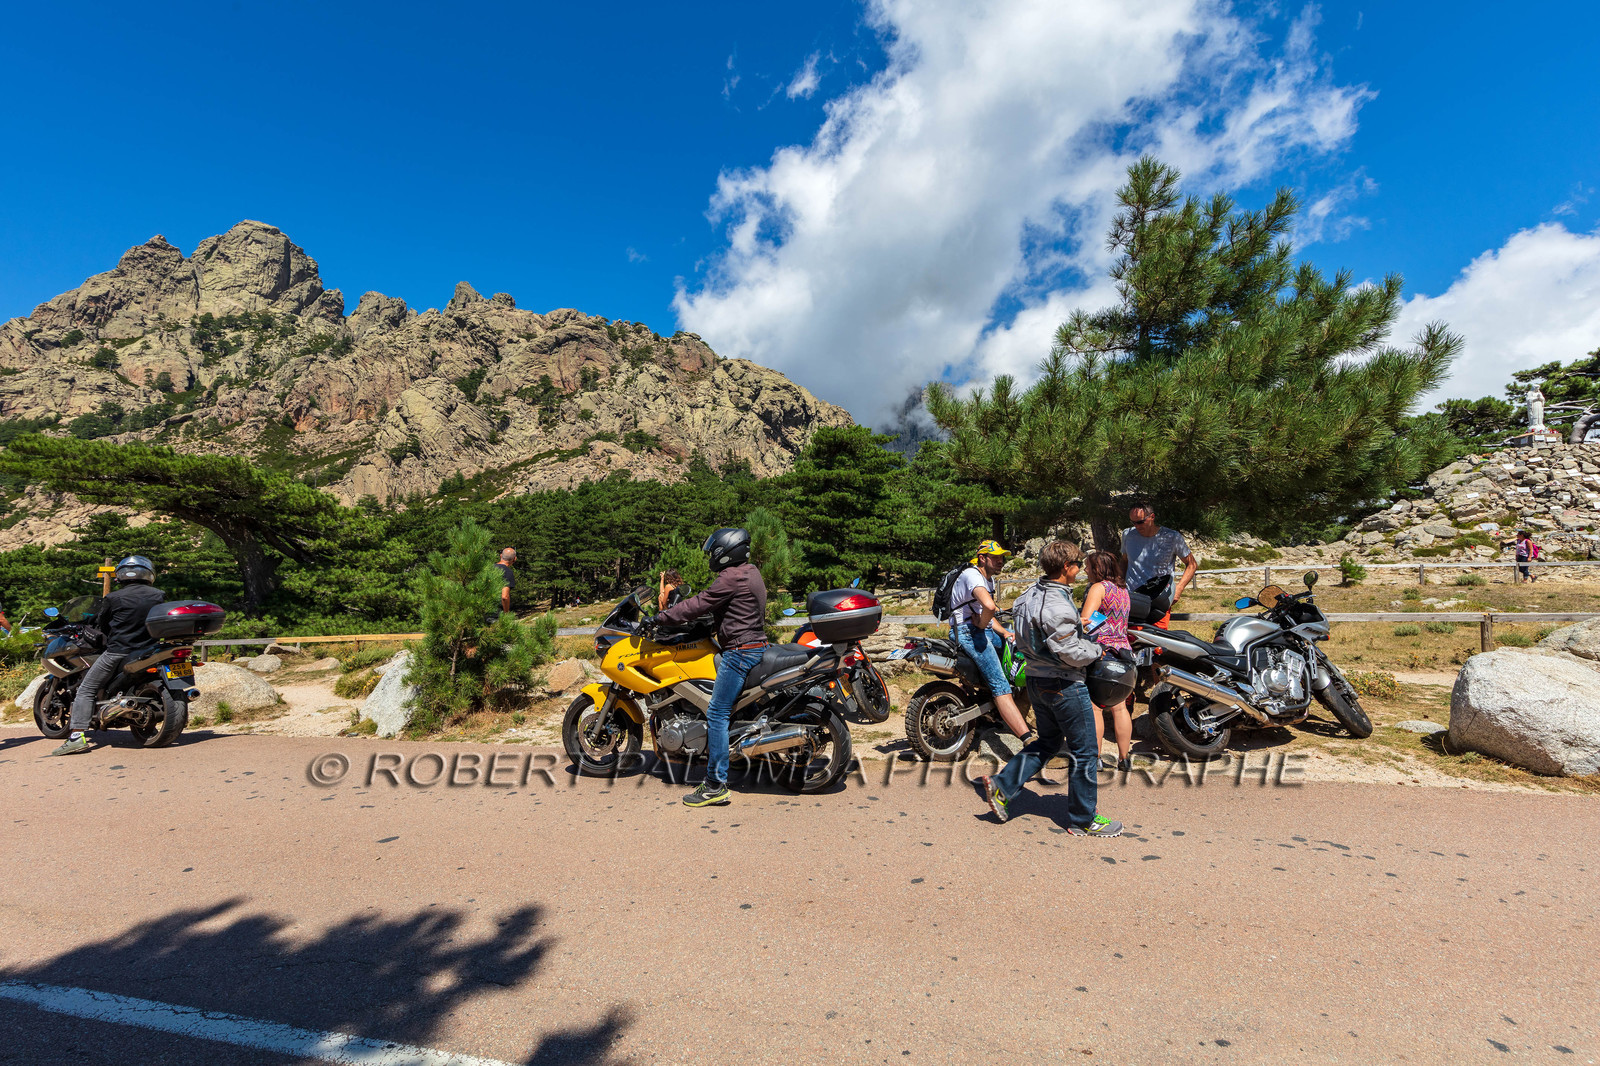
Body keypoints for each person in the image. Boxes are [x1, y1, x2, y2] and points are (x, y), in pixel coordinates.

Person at [978, 541, 1122, 837]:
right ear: (1066, 568)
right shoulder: (1057, 604)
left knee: (1047, 743)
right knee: (1085, 751)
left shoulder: (1028, 595)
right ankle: (1084, 819)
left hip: (1035, 680)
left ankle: (1003, 786)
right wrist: (1096, 649)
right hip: (1063, 682)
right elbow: (1068, 651)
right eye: (1078, 565)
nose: (1081, 570)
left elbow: (1037, 635)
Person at [654, 528, 767, 808]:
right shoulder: (750, 571)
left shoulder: (730, 577)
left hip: (739, 653)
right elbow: (721, 607)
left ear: (725, 552)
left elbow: (698, 603)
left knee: (716, 712)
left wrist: (662, 617)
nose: (710, 557)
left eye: (713, 551)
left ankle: (715, 785)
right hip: (755, 645)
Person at [51, 555, 166, 756]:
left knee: (86, 689)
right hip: (149, 649)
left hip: (118, 652)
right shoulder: (158, 595)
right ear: (148, 574)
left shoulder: (113, 598)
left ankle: (77, 737)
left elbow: (102, 624)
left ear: (120, 575)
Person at [947, 540, 1033, 741]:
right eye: (995, 557)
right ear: (982, 558)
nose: (1001, 561)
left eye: (1002, 557)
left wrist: (1004, 633)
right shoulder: (972, 575)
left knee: (1015, 653)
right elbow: (989, 607)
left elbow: (987, 615)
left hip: (979, 631)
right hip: (969, 633)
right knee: (1000, 686)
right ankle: (1027, 739)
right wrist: (981, 624)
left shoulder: (988, 580)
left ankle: (990, 710)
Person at [1080, 550, 1134, 772]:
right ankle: (1124, 758)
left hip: (1102, 653)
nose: (1085, 570)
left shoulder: (1098, 588)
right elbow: (1114, 620)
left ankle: (1096, 758)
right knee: (1119, 707)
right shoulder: (1123, 590)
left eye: (1088, 567)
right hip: (1124, 653)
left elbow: (1086, 620)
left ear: (1098, 569)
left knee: (1095, 708)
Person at [1120, 503, 1197, 629]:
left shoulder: (1172, 537)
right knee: (1133, 640)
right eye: (1133, 522)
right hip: (1132, 597)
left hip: (1159, 599)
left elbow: (1192, 564)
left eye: (1140, 522)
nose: (1136, 526)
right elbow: (1124, 560)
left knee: (1157, 641)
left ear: (1152, 517)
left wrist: (1179, 589)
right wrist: (1119, 583)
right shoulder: (1127, 534)